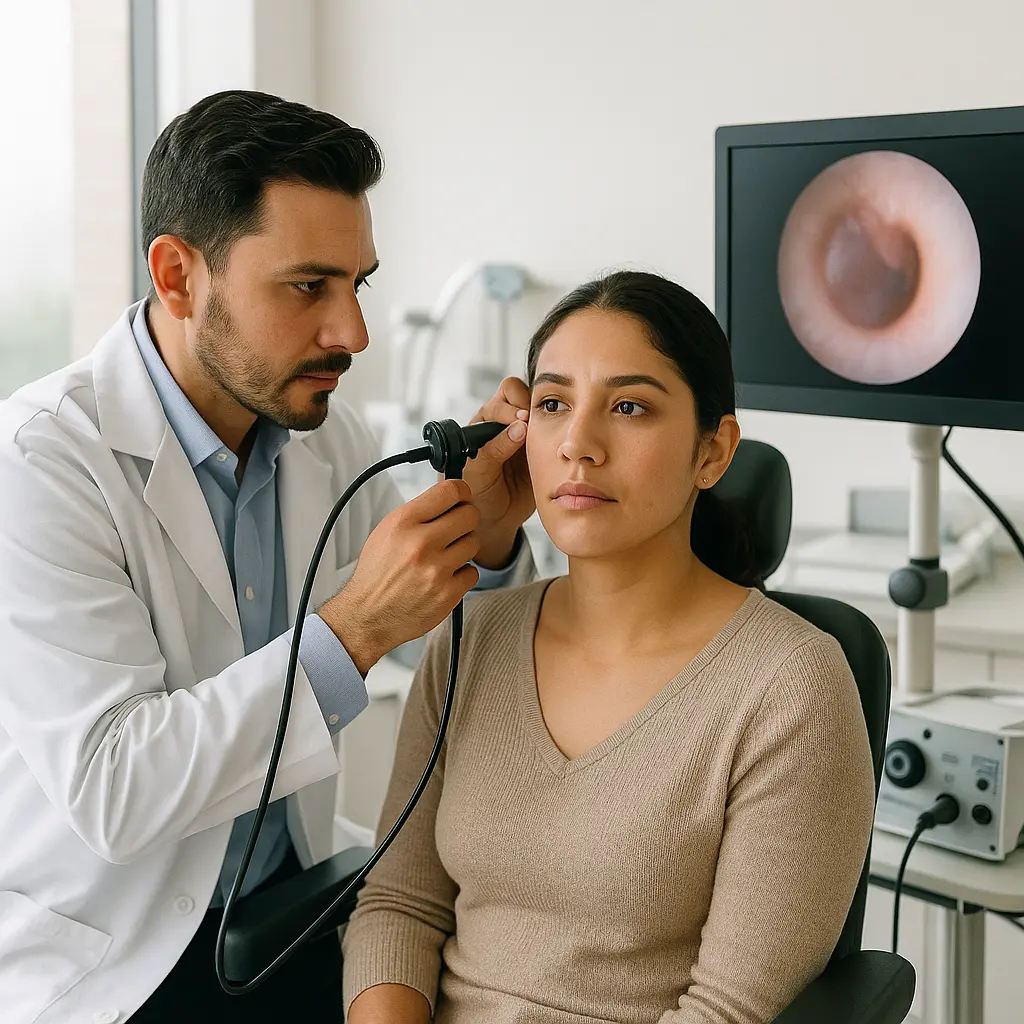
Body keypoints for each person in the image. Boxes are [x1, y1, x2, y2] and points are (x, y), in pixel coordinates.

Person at [0, 90, 538, 1024]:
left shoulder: (325, 433)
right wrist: (358, 626)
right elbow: (115, 789)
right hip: (113, 965)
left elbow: (427, 653)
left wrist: (484, 545)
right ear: (177, 275)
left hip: (295, 919)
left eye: (357, 285)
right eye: (308, 287)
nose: (352, 334)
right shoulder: (40, 464)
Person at [342, 270, 878, 1024]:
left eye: (629, 407)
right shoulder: (475, 635)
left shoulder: (791, 685)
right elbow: (400, 906)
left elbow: (730, 1008)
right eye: (554, 404)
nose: (579, 447)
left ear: (713, 451)